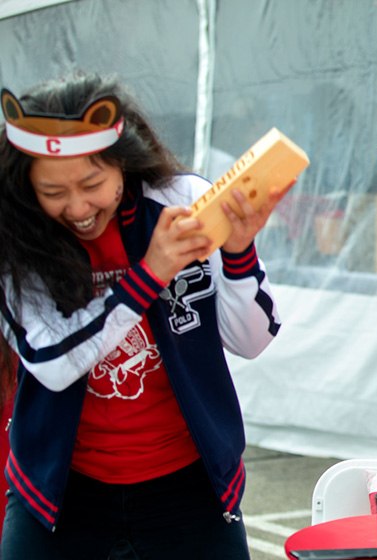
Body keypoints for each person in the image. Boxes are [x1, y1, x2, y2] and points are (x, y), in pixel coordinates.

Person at [0, 73, 289, 558]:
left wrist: (238, 253)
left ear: (124, 165)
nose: (77, 207)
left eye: (92, 184)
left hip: (189, 484)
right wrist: (150, 274)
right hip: (59, 492)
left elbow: (253, 339)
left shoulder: (182, 202)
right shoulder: (16, 234)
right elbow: (50, 361)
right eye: (53, 192)